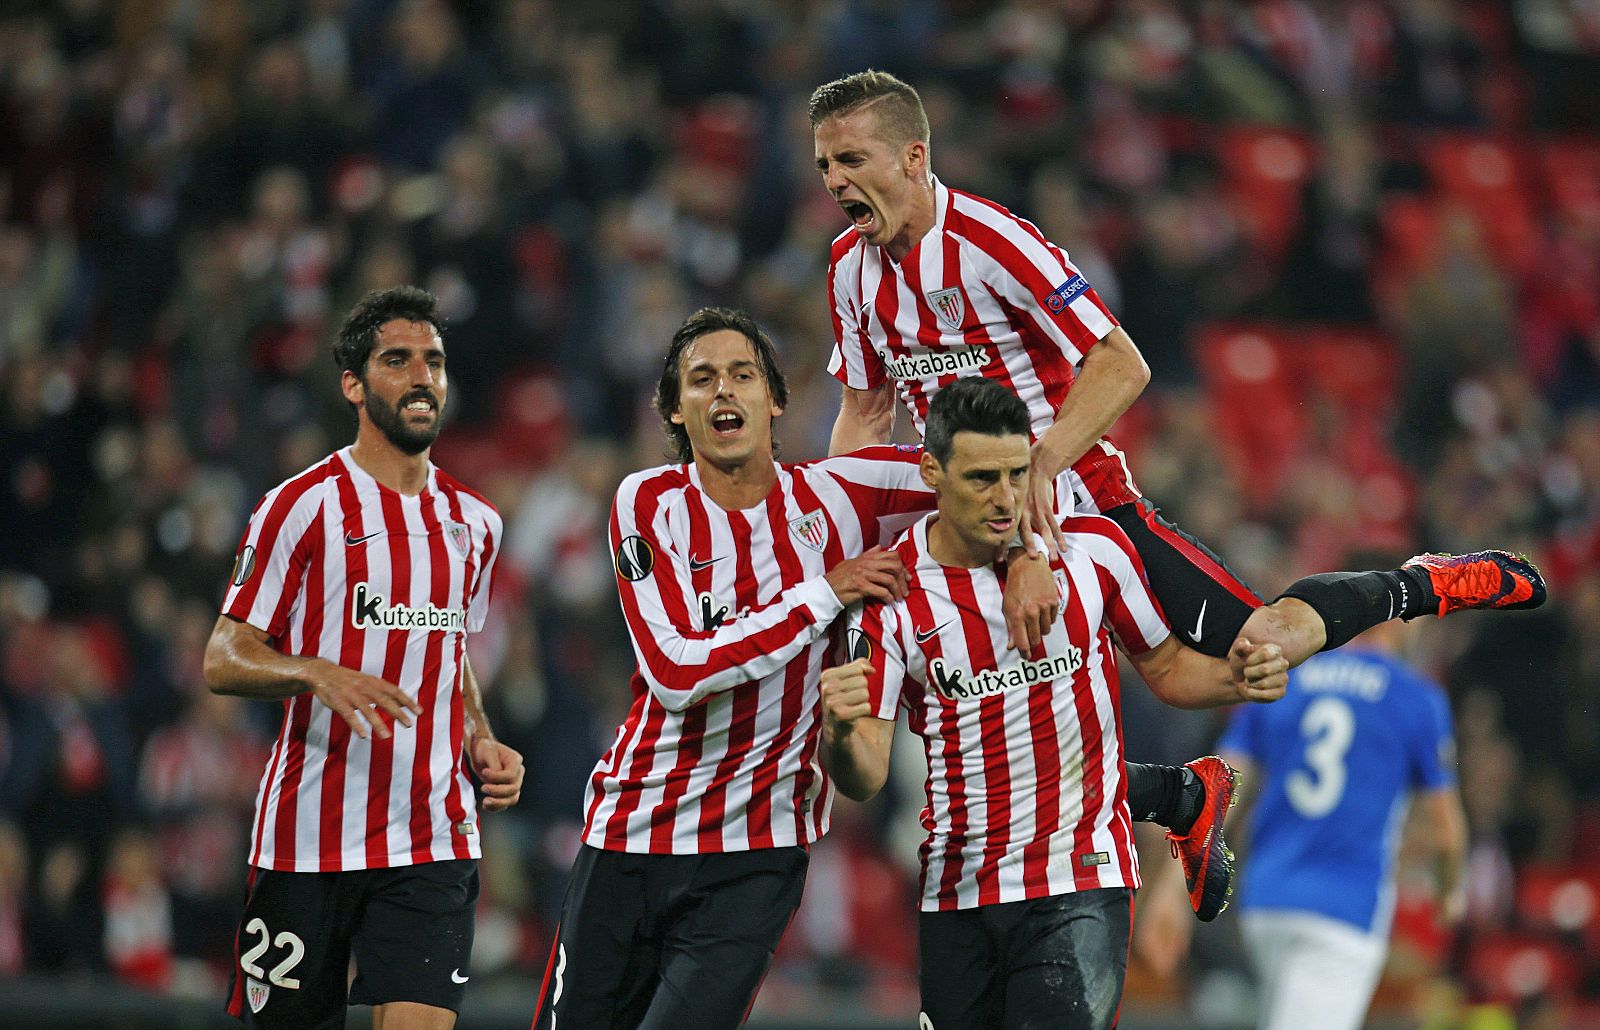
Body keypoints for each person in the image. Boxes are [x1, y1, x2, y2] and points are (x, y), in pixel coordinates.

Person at [807, 68, 1544, 918]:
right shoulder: (849, 273)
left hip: (1079, 504)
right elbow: (864, 414)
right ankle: (1176, 800)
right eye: (825, 166)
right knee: (984, 756)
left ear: (912, 155)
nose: (835, 184)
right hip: (972, 525)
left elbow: (1122, 364)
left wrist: (1038, 466)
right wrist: (835, 546)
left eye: (852, 159)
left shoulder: (991, 241)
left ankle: (1422, 584)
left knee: (1244, 660)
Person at [533, 306, 1070, 1029]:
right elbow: (675, 672)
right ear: (674, 410)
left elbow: (995, 473)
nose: (724, 391)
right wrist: (828, 590)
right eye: (701, 380)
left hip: (760, 849)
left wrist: (1030, 554)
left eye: (742, 375)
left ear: (776, 399)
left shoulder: (842, 492)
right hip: (635, 829)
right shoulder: (648, 501)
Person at [820, 377, 1290, 1030]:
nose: (1005, 499)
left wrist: (1241, 677)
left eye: (1017, 473)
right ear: (931, 470)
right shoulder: (890, 597)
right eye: (982, 478)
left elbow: (1171, 668)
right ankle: (1175, 794)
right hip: (959, 895)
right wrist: (840, 735)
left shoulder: (1093, 551)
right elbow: (866, 775)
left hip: (1080, 880)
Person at [203, 286, 525, 1030]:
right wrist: (312, 669)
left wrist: (478, 733)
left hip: (433, 837)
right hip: (307, 838)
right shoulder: (301, 505)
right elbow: (224, 655)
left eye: (435, 362)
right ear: (353, 384)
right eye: (397, 360)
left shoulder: (475, 523)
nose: (422, 377)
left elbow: (449, 646)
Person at [1221, 605, 1465, 1030]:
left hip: (1265, 898)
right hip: (1344, 907)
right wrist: (1448, 894)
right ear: (1396, 614)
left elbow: (1224, 785)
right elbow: (1446, 833)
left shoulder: (1288, 676)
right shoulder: (1416, 698)